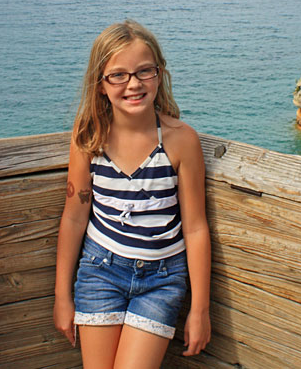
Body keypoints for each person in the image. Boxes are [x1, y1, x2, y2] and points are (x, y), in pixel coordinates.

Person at [53, 20, 211, 369]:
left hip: (162, 279)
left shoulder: (181, 140)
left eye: (144, 72)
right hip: (100, 271)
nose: (134, 84)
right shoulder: (89, 137)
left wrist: (199, 310)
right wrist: (62, 296)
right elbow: (75, 215)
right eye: (119, 75)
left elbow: (196, 228)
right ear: (100, 84)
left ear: (159, 73)